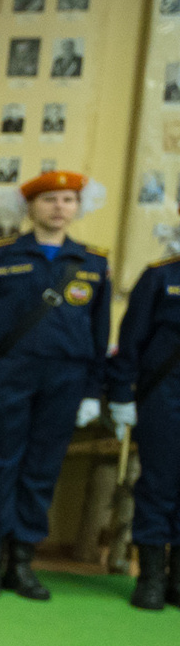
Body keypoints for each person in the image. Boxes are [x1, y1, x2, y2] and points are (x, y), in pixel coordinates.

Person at [0, 171, 113, 601]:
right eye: (49, 199)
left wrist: (90, 391)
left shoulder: (92, 262)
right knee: (0, 465)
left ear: (77, 207)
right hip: (7, 373)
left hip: (65, 377)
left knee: (42, 470)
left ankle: (22, 562)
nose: (59, 207)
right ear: (30, 207)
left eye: (67, 199)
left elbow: (99, 333)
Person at [109, 243, 180, 610]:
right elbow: (132, 338)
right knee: (159, 484)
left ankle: (177, 579)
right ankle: (151, 577)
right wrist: (121, 394)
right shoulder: (160, 275)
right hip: (165, 394)